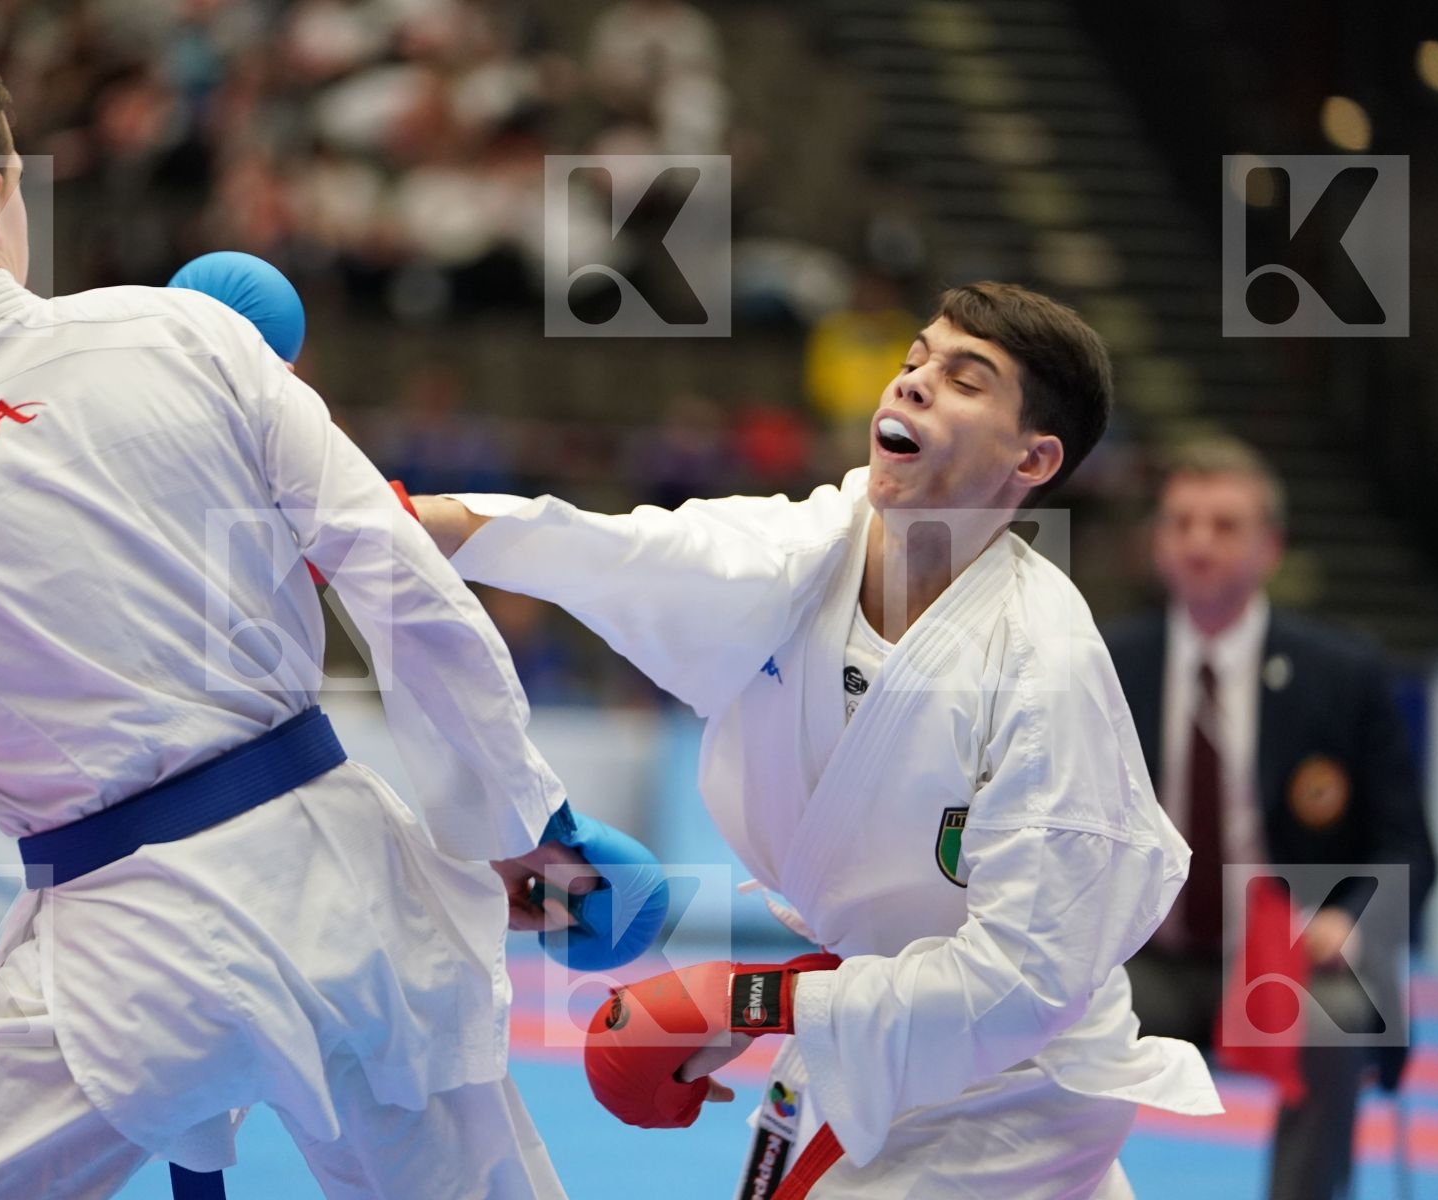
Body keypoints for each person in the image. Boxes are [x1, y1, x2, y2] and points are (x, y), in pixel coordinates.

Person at [0, 32, 586, 1199]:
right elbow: (398, 576)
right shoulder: (185, 333)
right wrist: (519, 824)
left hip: (121, 959)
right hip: (350, 891)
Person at [414, 282, 1224, 1198]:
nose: (913, 384)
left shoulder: (1048, 663)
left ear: (1033, 459)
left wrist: (751, 998)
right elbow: (621, 552)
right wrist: (421, 526)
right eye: (916, 359)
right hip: (868, 1032)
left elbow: (1022, 987)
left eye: (966, 379)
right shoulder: (808, 551)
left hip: (1015, 1089)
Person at [1102, 438, 1438, 1200]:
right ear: (1157, 542)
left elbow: (1408, 846)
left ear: (1270, 547)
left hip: (1282, 965)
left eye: (1224, 525)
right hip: (1143, 959)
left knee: (1335, 1019)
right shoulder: (1107, 665)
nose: (1198, 542)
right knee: (1037, 1014)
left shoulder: (1341, 673)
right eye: (1181, 523)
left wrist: (1349, 924)